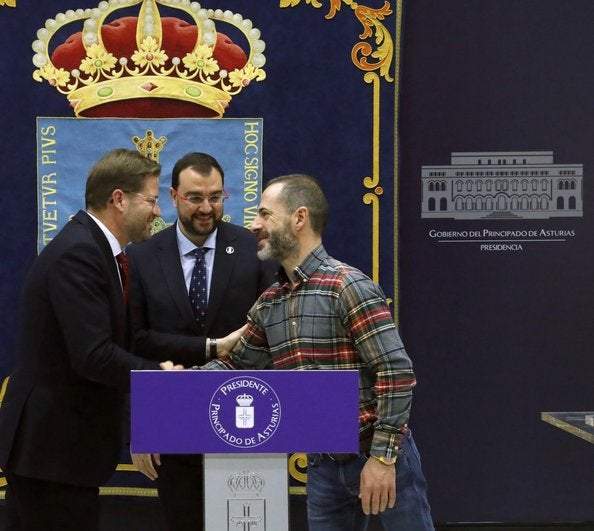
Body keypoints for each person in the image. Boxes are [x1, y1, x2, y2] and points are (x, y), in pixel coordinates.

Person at [202, 174, 434, 530]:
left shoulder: (347, 286)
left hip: (378, 456)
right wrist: (175, 388)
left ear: (299, 218)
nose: (254, 225)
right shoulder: (269, 303)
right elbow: (234, 368)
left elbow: (396, 373)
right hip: (322, 465)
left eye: (265, 214)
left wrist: (382, 459)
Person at [0, 149, 183, 531]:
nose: (158, 212)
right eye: (151, 200)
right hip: (52, 452)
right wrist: (159, 376)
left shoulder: (100, 251)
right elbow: (93, 355)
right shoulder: (80, 253)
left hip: (58, 454)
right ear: (119, 199)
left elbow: (129, 339)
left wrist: (208, 348)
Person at [127, 152, 277, 531]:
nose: (207, 208)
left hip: (245, 420)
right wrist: (142, 426)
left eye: (215, 196)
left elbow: (271, 335)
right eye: (195, 197)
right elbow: (136, 342)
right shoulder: (142, 256)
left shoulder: (252, 249)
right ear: (174, 196)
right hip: (173, 423)